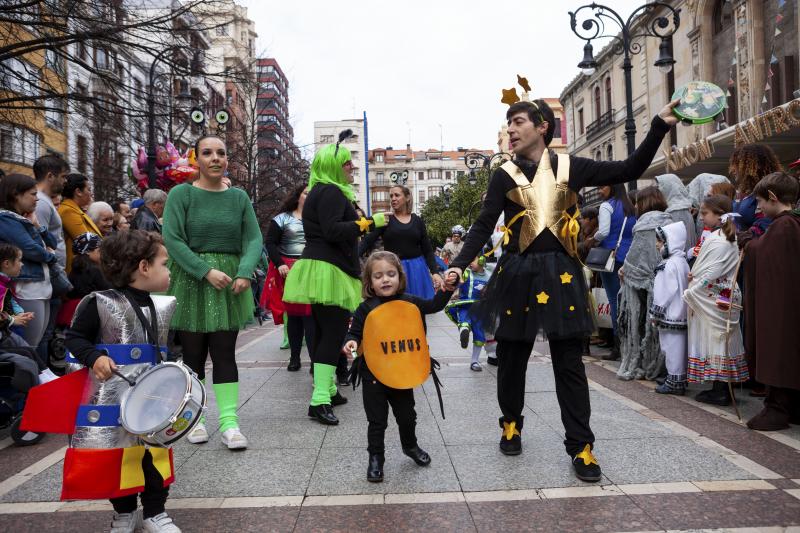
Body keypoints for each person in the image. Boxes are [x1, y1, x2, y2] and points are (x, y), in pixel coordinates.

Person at [444, 97, 679, 482]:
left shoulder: (572, 167)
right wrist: (456, 265)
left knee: (568, 363)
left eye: (518, 122)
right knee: (511, 354)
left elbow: (631, 167)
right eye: (508, 124)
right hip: (517, 274)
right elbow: (484, 224)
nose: (511, 130)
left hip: (562, 276)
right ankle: (511, 423)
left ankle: (581, 446)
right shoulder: (503, 174)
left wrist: (658, 125)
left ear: (541, 127)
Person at [56, 230, 181, 532]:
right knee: (118, 458)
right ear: (143, 267)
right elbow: (74, 338)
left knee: (154, 457)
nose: (169, 271)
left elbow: (169, 345)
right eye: (164, 264)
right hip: (112, 399)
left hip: (152, 400)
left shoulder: (162, 305)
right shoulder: (98, 302)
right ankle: (124, 512)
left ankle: (154, 512)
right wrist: (95, 357)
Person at [162, 135, 262, 450]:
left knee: (224, 353)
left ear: (227, 159)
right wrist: (205, 271)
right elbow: (173, 238)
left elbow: (253, 239)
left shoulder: (238, 197)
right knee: (192, 355)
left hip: (230, 282)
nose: (215, 158)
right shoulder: (181, 194)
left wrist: (245, 271)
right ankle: (194, 420)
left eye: (221, 152)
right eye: (207, 153)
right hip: (193, 281)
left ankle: (230, 424)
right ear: (197, 159)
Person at [283, 133, 389, 425]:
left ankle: (328, 388)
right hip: (329, 268)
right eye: (345, 164)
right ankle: (319, 400)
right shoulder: (330, 192)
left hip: (321, 267)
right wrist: (369, 223)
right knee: (333, 334)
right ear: (332, 165)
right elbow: (332, 230)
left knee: (320, 331)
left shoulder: (320, 191)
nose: (351, 168)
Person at [342, 251, 453, 482]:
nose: (385, 279)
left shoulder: (410, 301)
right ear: (370, 282)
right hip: (373, 374)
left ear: (400, 277)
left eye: (391, 274)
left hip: (402, 372)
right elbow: (353, 332)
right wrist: (350, 342)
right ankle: (376, 458)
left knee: (407, 416)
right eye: (378, 276)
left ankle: (410, 446)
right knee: (377, 421)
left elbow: (433, 305)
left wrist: (447, 290)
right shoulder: (365, 309)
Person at [743, 172, 800, 430]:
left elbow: (765, 253)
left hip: (780, 306)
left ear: (773, 197)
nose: (759, 208)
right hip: (789, 301)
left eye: (761, 202)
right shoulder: (791, 222)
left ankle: (777, 407)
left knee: (778, 349)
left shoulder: (784, 226)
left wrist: (747, 242)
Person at [684, 194, 748, 405]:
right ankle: (718, 387)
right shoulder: (719, 236)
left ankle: (722, 390)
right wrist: (696, 274)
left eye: (705, 213)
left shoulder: (722, 241)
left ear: (720, 215)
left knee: (719, 340)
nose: (701, 217)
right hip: (716, 295)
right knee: (714, 340)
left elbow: (713, 273)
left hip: (717, 297)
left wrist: (693, 288)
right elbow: (707, 267)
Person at [616, 187, 672, 379]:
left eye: (638, 202)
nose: (636, 205)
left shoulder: (643, 224)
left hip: (642, 280)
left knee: (640, 323)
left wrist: (624, 270)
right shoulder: (670, 219)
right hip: (665, 279)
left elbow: (635, 254)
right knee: (662, 325)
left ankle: (645, 362)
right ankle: (663, 365)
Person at [0, 173, 58, 348]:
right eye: (32, 194)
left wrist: (37, 226)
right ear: (15, 194)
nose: (37, 199)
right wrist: (51, 256)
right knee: (28, 344)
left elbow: (52, 242)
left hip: (40, 285)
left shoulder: (20, 218)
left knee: (36, 341)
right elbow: (32, 250)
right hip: (27, 286)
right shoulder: (5, 219)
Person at [263, 184, 313, 371]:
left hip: (311, 270)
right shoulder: (282, 219)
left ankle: (315, 361)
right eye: (305, 193)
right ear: (298, 196)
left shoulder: (317, 219)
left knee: (311, 317)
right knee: (294, 316)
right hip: (288, 271)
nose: (308, 196)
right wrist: (280, 264)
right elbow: (270, 243)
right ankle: (294, 357)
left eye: (311, 193)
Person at [359, 185, 442, 299]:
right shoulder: (386, 219)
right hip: (393, 271)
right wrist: (351, 257)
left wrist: (435, 272)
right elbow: (367, 241)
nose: (393, 198)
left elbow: (427, 250)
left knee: (418, 309)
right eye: (391, 196)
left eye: (397, 195)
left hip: (417, 271)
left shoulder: (418, 221)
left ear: (407, 197)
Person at [32, 155, 69, 367]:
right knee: (43, 335)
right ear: (50, 176)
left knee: (46, 332)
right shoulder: (41, 204)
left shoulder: (44, 202)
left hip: (51, 276)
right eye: (63, 176)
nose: (65, 182)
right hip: (47, 277)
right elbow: (41, 240)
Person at [592, 183, 636, 358]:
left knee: (614, 299)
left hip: (611, 256)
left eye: (603, 187)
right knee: (628, 299)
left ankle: (618, 346)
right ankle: (630, 341)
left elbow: (603, 232)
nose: (599, 190)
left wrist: (591, 238)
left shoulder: (606, 206)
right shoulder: (631, 207)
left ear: (612, 188)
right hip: (629, 256)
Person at [650, 221, 689, 395]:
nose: (657, 245)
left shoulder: (668, 265)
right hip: (680, 312)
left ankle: (674, 381)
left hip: (670, 313)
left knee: (671, 347)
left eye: (660, 241)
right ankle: (678, 378)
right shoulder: (681, 261)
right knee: (679, 347)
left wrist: (656, 311)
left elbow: (663, 291)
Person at [729, 144, 782, 247]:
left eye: (737, 164)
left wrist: (735, 239)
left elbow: (764, 224)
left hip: (757, 249)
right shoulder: (745, 193)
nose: (732, 169)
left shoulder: (767, 190)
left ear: (753, 165)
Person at [445, 255, 491, 371]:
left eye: (473, 260)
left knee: (480, 335)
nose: (470, 263)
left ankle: (474, 361)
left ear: (481, 260)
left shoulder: (489, 276)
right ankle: (464, 334)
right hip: (465, 305)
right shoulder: (466, 273)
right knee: (464, 322)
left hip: (480, 309)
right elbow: (456, 281)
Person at [59, 173, 100, 272]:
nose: (91, 193)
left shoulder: (75, 210)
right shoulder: (68, 211)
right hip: (82, 272)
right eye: (89, 189)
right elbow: (89, 244)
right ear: (78, 192)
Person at [655, 174, 696, 253]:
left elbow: (678, 240)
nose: (659, 189)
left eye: (660, 185)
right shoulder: (678, 207)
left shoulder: (676, 210)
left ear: (669, 186)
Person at [67, 232, 110, 300]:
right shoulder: (94, 271)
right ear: (87, 251)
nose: (103, 253)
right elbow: (108, 292)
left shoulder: (75, 269)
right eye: (99, 250)